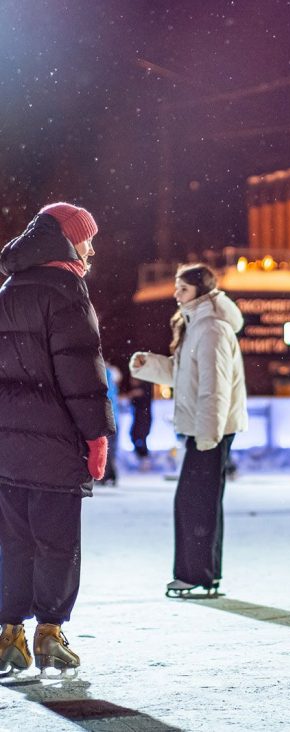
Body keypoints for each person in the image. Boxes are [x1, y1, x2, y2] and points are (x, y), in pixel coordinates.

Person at [0, 202, 114, 675]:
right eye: (86, 238)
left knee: (14, 541)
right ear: (67, 239)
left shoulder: (9, 287)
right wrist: (96, 436)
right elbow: (80, 371)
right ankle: (49, 633)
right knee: (57, 543)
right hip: (55, 445)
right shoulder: (67, 290)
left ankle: (9, 635)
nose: (91, 248)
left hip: (7, 448)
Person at [130, 264, 247, 598]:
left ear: (201, 290)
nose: (176, 294)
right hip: (204, 427)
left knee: (195, 501)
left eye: (182, 288)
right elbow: (189, 377)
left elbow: (215, 388)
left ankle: (197, 574)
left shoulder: (211, 328)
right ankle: (202, 573)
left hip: (210, 429)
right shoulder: (197, 324)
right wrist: (150, 366)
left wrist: (207, 435)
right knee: (197, 500)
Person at [100, 362, 122, 485]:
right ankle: (110, 475)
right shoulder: (111, 378)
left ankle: (107, 475)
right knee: (110, 448)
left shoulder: (105, 374)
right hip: (112, 417)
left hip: (108, 417)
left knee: (107, 448)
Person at [128, 378, 153, 469]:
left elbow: (134, 393)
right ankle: (142, 458)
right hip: (139, 418)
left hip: (144, 418)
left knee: (140, 437)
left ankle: (145, 458)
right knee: (135, 435)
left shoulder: (144, 388)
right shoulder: (141, 388)